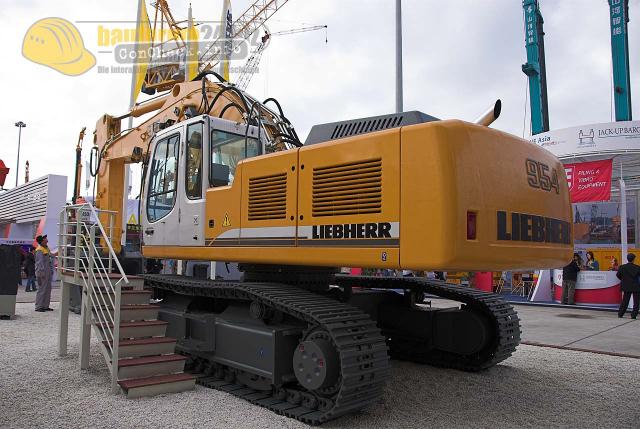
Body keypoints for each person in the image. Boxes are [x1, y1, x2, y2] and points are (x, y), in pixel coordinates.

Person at [34, 235, 56, 312]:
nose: (47, 240)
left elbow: (51, 257)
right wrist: (41, 273)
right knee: (42, 289)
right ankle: (38, 306)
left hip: (48, 271)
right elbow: (39, 263)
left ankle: (45, 306)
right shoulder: (40, 250)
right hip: (42, 272)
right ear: (42, 241)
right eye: (45, 239)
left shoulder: (46, 248)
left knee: (48, 289)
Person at [616, 253, 640, 319]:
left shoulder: (622, 267)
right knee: (636, 302)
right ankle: (633, 315)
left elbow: (618, 275)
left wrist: (623, 279)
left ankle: (620, 314)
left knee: (625, 301)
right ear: (634, 259)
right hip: (636, 286)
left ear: (627, 259)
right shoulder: (637, 267)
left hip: (626, 286)